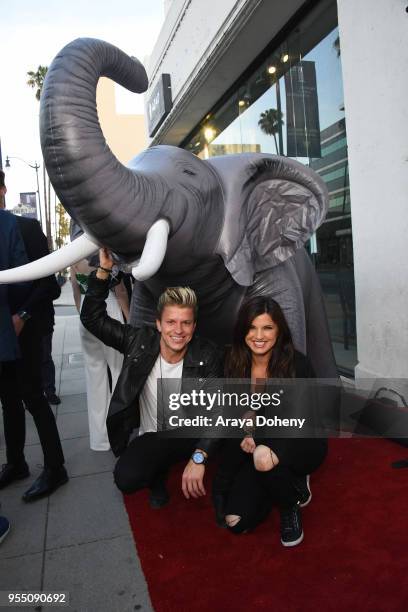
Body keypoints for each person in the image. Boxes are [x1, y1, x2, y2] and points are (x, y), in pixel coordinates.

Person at [80, 248, 222, 506]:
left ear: (194, 326)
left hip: (190, 431)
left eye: (185, 323)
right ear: (158, 324)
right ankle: (157, 476)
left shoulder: (207, 354)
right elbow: (92, 318)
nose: (178, 331)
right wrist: (103, 271)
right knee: (127, 478)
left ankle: (222, 486)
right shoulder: (139, 341)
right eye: (171, 322)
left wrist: (200, 457)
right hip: (154, 435)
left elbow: (216, 415)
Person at [212, 296, 327, 547]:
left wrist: (256, 433)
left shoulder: (297, 364)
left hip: (299, 441)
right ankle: (282, 482)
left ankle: (289, 506)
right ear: (243, 330)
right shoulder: (232, 362)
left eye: (267, 327)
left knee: (263, 456)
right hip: (252, 447)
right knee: (236, 522)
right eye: (252, 327)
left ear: (279, 331)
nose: (259, 335)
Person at [0, 175, 68, 501]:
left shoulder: (25, 230)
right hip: (1, 334)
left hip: (24, 329)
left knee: (34, 397)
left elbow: (50, 285)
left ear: (2, 190)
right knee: (7, 400)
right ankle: (16, 463)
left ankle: (56, 468)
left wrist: (22, 316)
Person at [70, 257, 129, 451]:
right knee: (119, 371)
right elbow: (120, 292)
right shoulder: (108, 257)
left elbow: (75, 291)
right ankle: (120, 431)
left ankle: (100, 439)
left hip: (87, 313)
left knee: (94, 378)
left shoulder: (75, 261)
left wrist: (83, 316)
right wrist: (129, 321)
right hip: (108, 309)